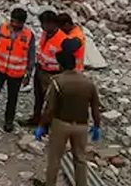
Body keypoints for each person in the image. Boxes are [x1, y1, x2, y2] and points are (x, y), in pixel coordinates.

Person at [33, 45, 102, 186]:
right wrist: (96, 126)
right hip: (82, 125)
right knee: (80, 159)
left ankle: (50, 184)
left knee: (54, 159)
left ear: (60, 65)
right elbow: (95, 107)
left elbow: (50, 108)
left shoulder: (57, 81)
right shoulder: (88, 83)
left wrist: (42, 125)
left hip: (61, 124)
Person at [0, 8, 36, 132]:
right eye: (12, 21)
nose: (14, 24)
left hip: (16, 73)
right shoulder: (2, 29)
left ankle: (8, 121)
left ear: (23, 23)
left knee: (12, 98)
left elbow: (31, 55)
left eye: (17, 22)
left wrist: (28, 73)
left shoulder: (28, 35)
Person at [20, 10, 63, 127]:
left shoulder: (62, 39)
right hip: (41, 69)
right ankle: (36, 118)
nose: (42, 27)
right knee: (38, 97)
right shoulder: (46, 34)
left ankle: (47, 123)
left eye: (44, 24)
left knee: (50, 100)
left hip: (52, 74)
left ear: (53, 24)